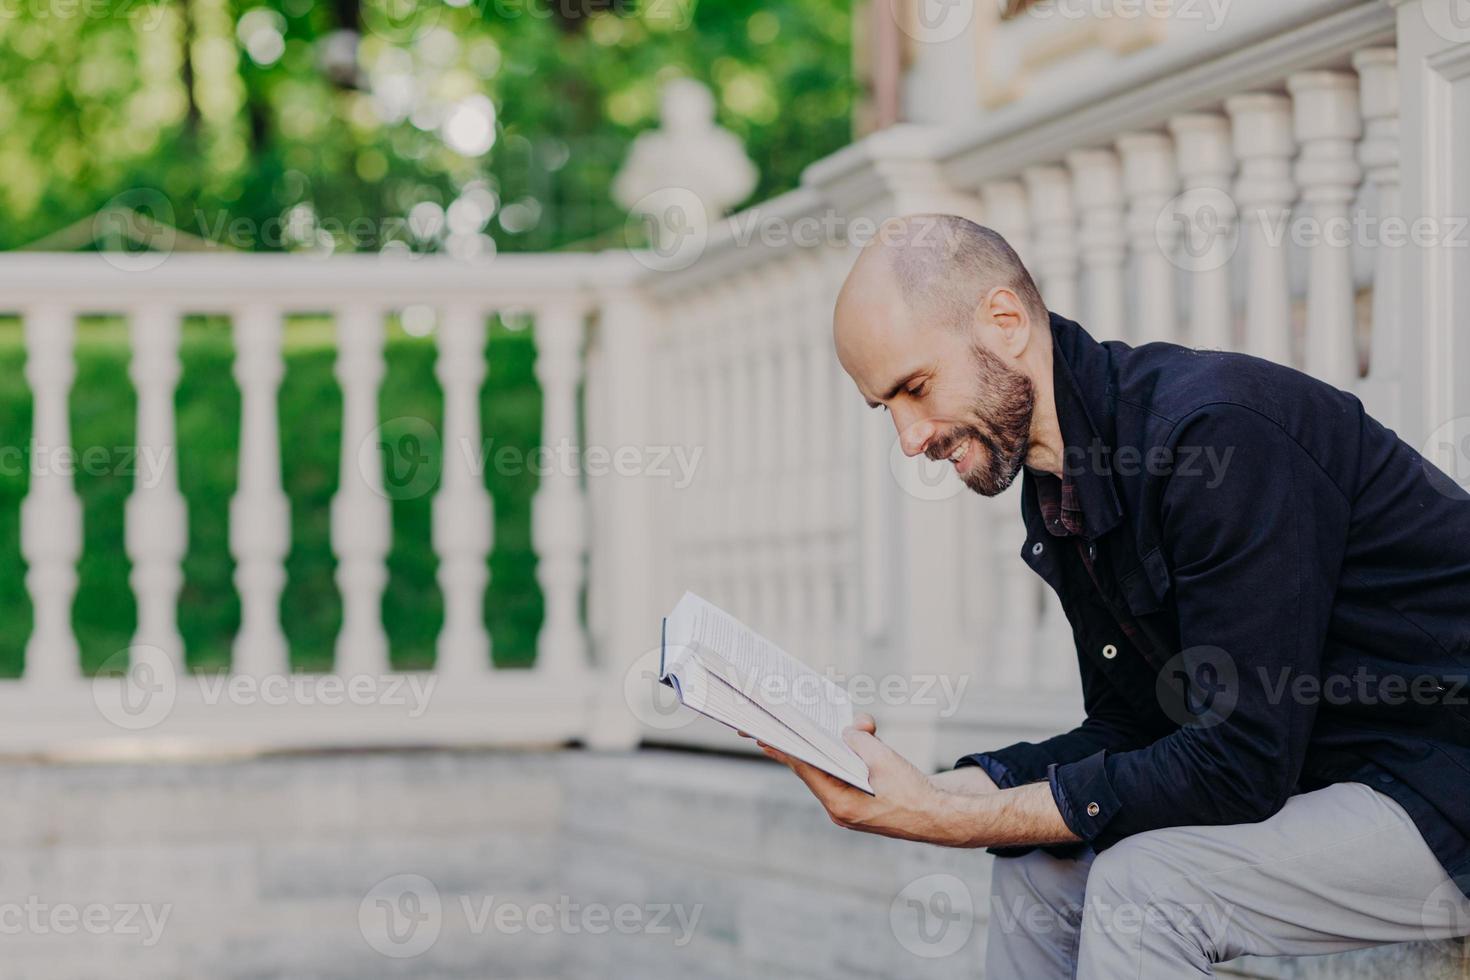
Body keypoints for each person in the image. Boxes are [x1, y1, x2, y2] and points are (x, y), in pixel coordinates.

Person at [756, 213, 1470, 977]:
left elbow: (1241, 760)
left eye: (916, 387)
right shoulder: (1060, 482)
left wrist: (949, 820)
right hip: (1331, 775)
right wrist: (927, 788)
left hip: (1439, 772)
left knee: (1145, 886)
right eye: (885, 407)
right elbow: (1137, 722)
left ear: (1003, 321)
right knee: (1038, 871)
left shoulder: (1213, 437)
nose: (908, 437)